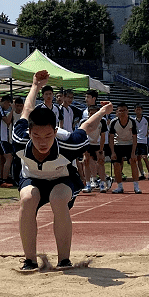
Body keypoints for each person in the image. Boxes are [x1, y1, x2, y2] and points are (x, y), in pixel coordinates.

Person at [13, 69, 114, 272]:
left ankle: (64, 259)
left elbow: (85, 126)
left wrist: (103, 112)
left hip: (63, 179)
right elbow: (27, 109)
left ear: (55, 131)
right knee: (27, 199)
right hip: (32, 179)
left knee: (58, 199)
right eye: (37, 136)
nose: (42, 142)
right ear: (30, 133)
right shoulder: (19, 139)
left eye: (48, 136)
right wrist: (35, 86)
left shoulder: (69, 144)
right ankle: (29, 260)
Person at [107, 102, 140, 194]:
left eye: (124, 110)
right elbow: (111, 137)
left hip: (129, 144)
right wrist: (112, 152)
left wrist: (133, 152)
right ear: (117, 112)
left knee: (133, 163)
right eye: (120, 111)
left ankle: (136, 186)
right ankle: (119, 186)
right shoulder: (114, 122)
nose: (122, 112)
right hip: (118, 144)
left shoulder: (132, 121)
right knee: (116, 165)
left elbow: (134, 137)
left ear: (128, 111)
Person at [0, 95, 14, 188]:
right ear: (5, 102)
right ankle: (4, 179)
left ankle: (0, 179)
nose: (8, 106)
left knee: (1, 159)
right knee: (9, 157)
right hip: (1, 138)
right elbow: (7, 121)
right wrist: (12, 110)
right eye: (8, 104)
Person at [132, 105, 149, 180]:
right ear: (134, 111)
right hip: (136, 141)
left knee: (145, 157)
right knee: (138, 158)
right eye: (137, 109)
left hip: (144, 141)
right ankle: (142, 173)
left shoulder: (146, 118)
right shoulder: (133, 120)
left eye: (139, 109)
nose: (138, 111)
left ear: (142, 110)